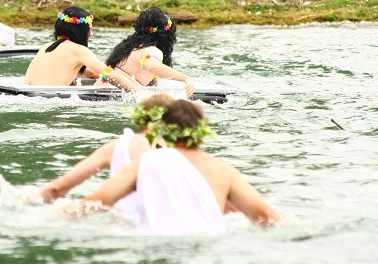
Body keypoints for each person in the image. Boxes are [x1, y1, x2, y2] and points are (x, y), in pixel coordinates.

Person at [81, 98, 280, 233]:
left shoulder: (145, 164)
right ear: (201, 131)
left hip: (152, 242)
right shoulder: (223, 170)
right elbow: (268, 217)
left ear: (163, 131)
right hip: (211, 245)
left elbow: (95, 202)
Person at [38, 93, 175, 223]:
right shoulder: (181, 153)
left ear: (140, 118)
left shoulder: (119, 146)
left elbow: (56, 188)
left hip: (123, 221)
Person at [24, 6, 142, 92]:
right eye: (89, 29)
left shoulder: (46, 46)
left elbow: (61, 71)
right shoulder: (79, 50)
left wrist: (92, 74)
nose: (91, 34)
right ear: (79, 31)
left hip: (27, 93)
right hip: (48, 99)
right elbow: (110, 75)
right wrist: (140, 92)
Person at [106, 7, 195, 97]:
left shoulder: (127, 47)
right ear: (167, 36)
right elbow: (152, 66)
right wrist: (186, 78)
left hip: (102, 87)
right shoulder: (152, 50)